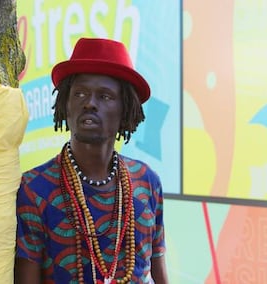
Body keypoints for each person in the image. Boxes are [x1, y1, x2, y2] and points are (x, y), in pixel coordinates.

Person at [14, 37, 169, 284]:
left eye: (105, 96)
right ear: (66, 104)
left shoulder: (147, 182)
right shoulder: (34, 189)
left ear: (125, 110)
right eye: (80, 93)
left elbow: (158, 270)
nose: (89, 103)